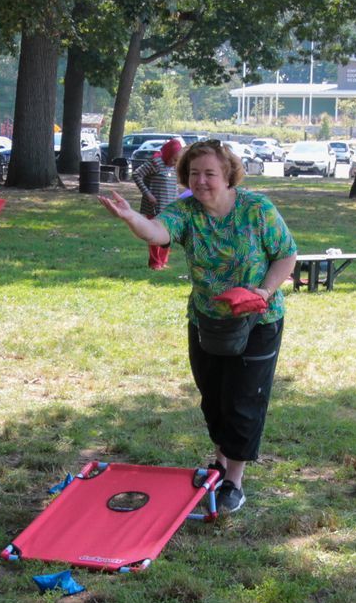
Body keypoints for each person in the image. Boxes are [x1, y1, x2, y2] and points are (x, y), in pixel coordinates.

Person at [98, 139, 297, 515]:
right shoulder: (187, 211)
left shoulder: (257, 210)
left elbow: (286, 254)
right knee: (214, 397)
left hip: (257, 320)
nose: (201, 181)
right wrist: (130, 218)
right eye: (194, 174)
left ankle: (234, 481)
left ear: (227, 175)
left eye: (209, 173)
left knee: (242, 400)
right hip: (208, 319)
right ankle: (219, 464)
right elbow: (158, 231)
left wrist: (263, 291)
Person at [133, 138, 185, 270]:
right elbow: (137, 174)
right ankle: (155, 262)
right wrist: (147, 193)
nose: (175, 163)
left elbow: (174, 185)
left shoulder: (173, 167)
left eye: (177, 161)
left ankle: (163, 260)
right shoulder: (155, 162)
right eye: (174, 159)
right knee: (154, 235)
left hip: (169, 206)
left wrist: (177, 201)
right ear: (168, 154)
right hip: (154, 206)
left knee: (168, 235)